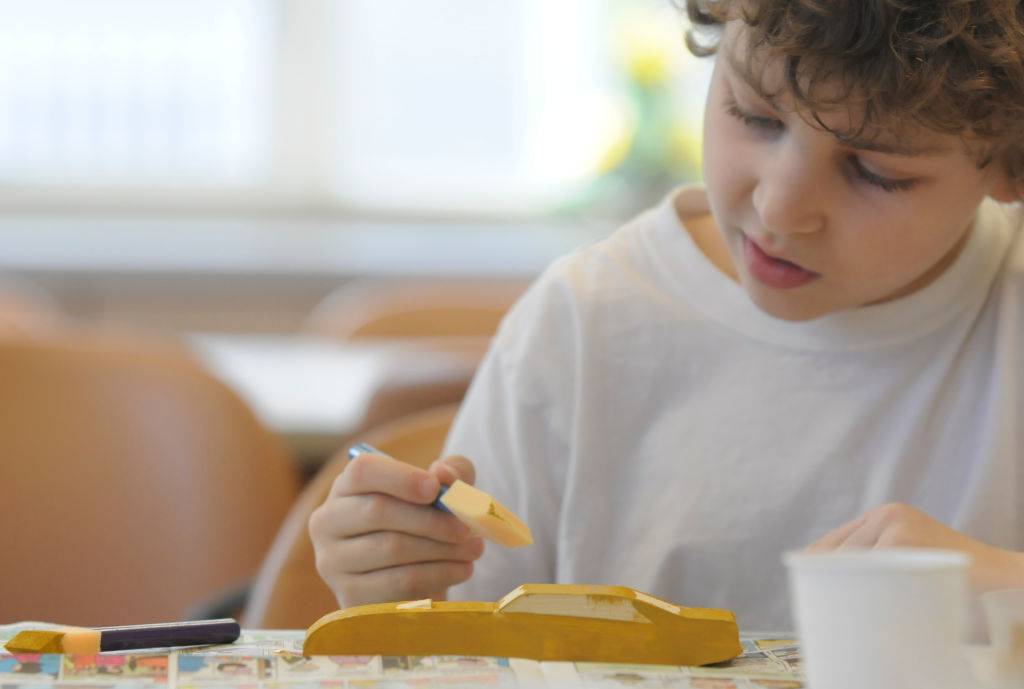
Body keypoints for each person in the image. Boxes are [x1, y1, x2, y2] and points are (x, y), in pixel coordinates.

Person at [309, 0, 1024, 630]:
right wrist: (389, 583)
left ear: (1006, 166)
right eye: (755, 115)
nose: (779, 210)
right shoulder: (585, 325)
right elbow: (456, 635)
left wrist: (1007, 585)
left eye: (876, 173)